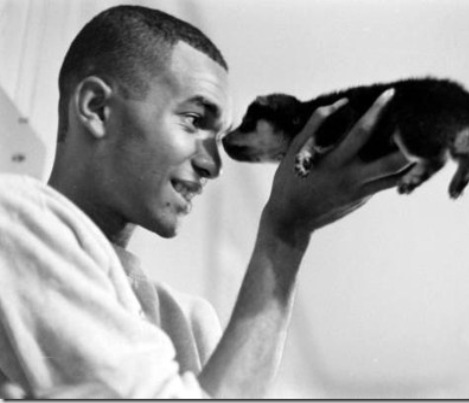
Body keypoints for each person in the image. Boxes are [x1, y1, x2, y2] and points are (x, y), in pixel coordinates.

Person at [0, 4, 410, 399]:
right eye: (195, 121)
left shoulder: (187, 321)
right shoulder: (13, 216)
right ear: (97, 108)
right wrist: (285, 233)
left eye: (220, 136)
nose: (213, 163)